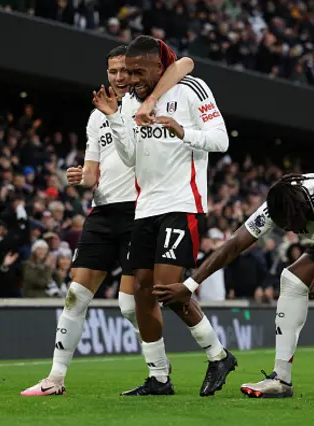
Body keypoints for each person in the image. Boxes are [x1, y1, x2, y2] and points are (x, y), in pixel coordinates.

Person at [20, 44, 195, 397]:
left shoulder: (149, 102)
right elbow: (91, 174)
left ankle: (161, 370)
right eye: (112, 72)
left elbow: (186, 64)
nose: (118, 77)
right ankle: (55, 379)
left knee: (132, 305)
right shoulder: (97, 115)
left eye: (123, 71)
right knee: (75, 296)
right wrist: (79, 178)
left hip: (139, 211)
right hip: (102, 213)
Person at [154, 171, 314, 400]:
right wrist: (189, 285)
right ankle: (281, 379)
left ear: (303, 210)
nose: (291, 231)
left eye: (293, 225)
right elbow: (234, 244)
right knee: (291, 278)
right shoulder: (277, 205)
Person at [93, 36, 235, 397]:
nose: (131, 78)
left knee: (166, 289)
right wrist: (115, 120)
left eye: (139, 71)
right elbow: (128, 158)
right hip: (145, 209)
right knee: (141, 291)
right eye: (127, 71)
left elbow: (221, 141)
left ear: (160, 67)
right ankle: (158, 377)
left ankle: (217, 355)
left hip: (181, 204)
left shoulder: (190, 89)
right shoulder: (128, 103)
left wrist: (181, 130)